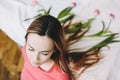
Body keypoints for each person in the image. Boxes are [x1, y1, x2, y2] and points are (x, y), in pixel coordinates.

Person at [20, 15, 74, 80]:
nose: (35, 59)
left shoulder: (60, 77)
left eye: (44, 53)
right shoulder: (24, 50)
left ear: (55, 49)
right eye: (31, 49)